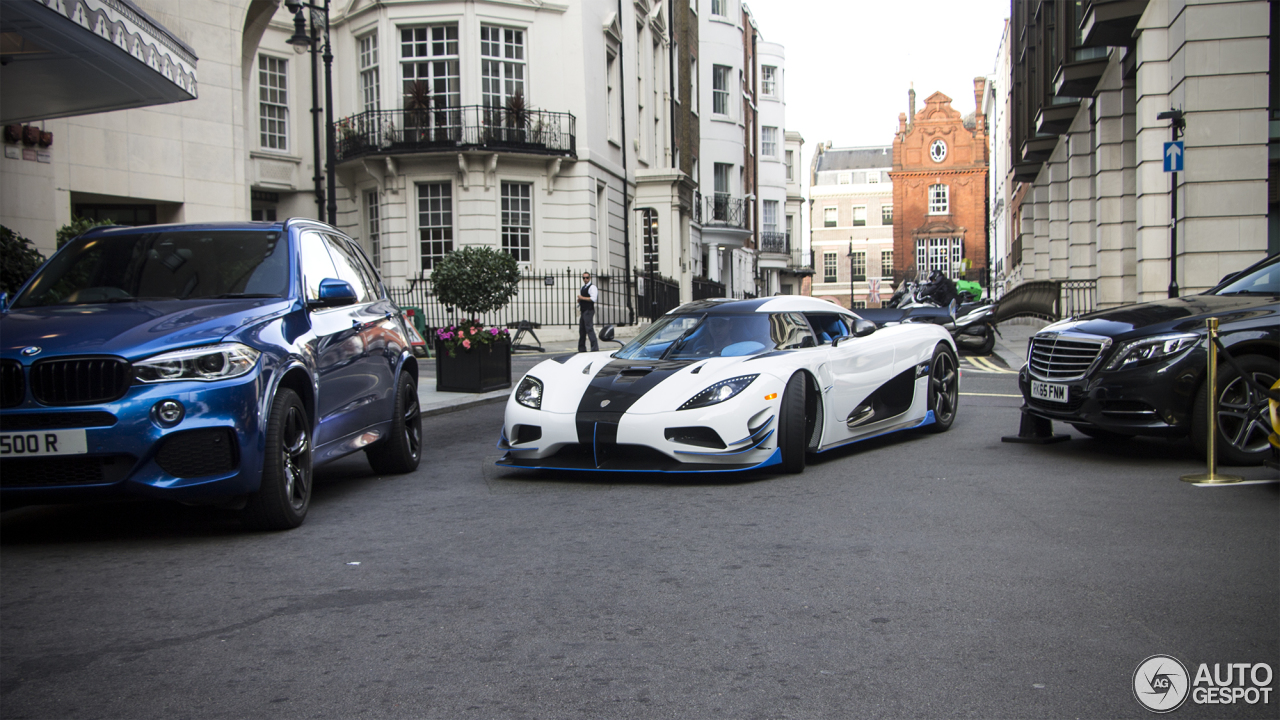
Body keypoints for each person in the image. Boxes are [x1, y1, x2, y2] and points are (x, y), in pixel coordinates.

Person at [577, 271, 599, 352]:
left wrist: (582, 298)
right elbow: (585, 298)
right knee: (582, 330)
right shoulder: (583, 288)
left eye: (587, 277)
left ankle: (594, 348)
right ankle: (581, 348)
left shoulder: (592, 287)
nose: (585, 279)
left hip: (589, 310)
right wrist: (580, 300)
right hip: (583, 310)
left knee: (589, 329)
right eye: (584, 278)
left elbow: (593, 298)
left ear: (589, 278)